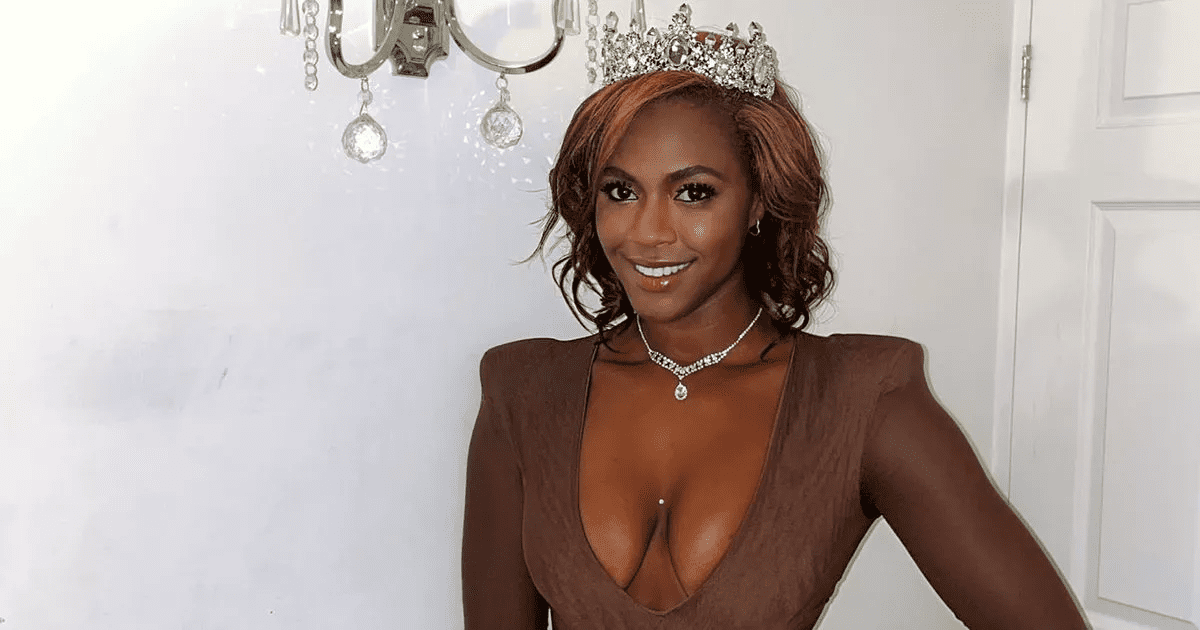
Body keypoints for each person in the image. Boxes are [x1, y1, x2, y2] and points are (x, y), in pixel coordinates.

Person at [462, 5, 1090, 629]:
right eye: (620, 191)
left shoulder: (862, 400)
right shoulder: (523, 393)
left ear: (759, 198)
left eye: (694, 192)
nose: (648, 232)